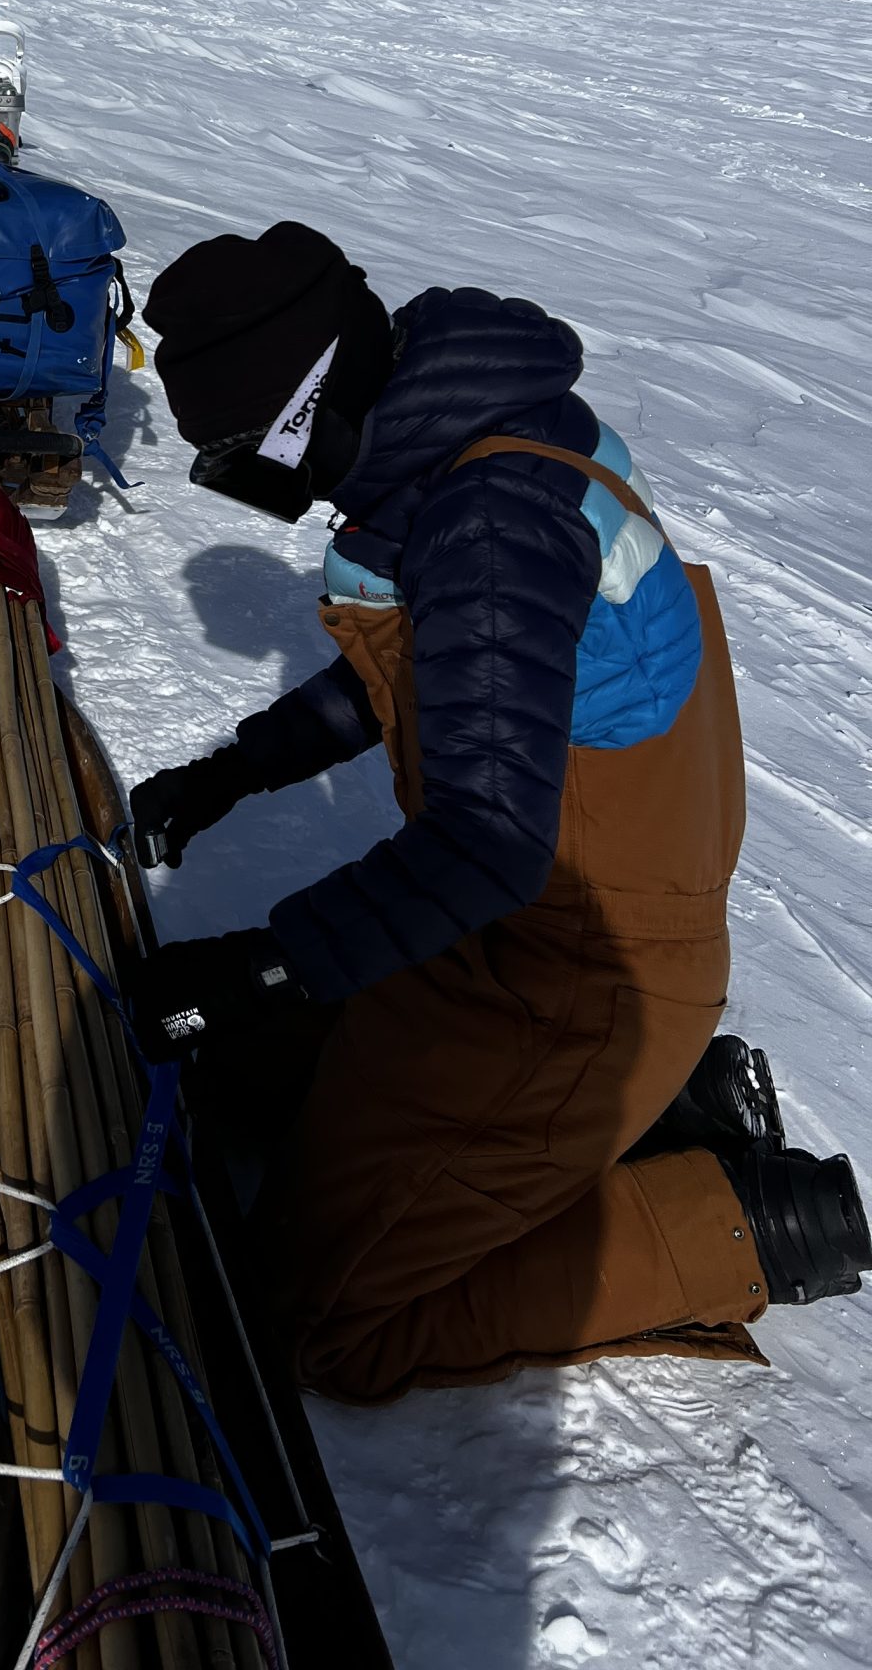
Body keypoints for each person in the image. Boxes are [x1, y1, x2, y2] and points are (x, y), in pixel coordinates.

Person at [126, 220, 869, 1401]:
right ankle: (661, 1103)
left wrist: (267, 965)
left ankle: (744, 1218)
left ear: (301, 414)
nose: (241, 486)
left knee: (320, 1310)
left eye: (234, 454)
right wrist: (234, 772)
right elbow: (442, 676)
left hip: (576, 984)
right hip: (519, 945)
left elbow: (483, 844)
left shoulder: (491, 526)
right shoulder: (454, 444)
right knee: (235, 1078)